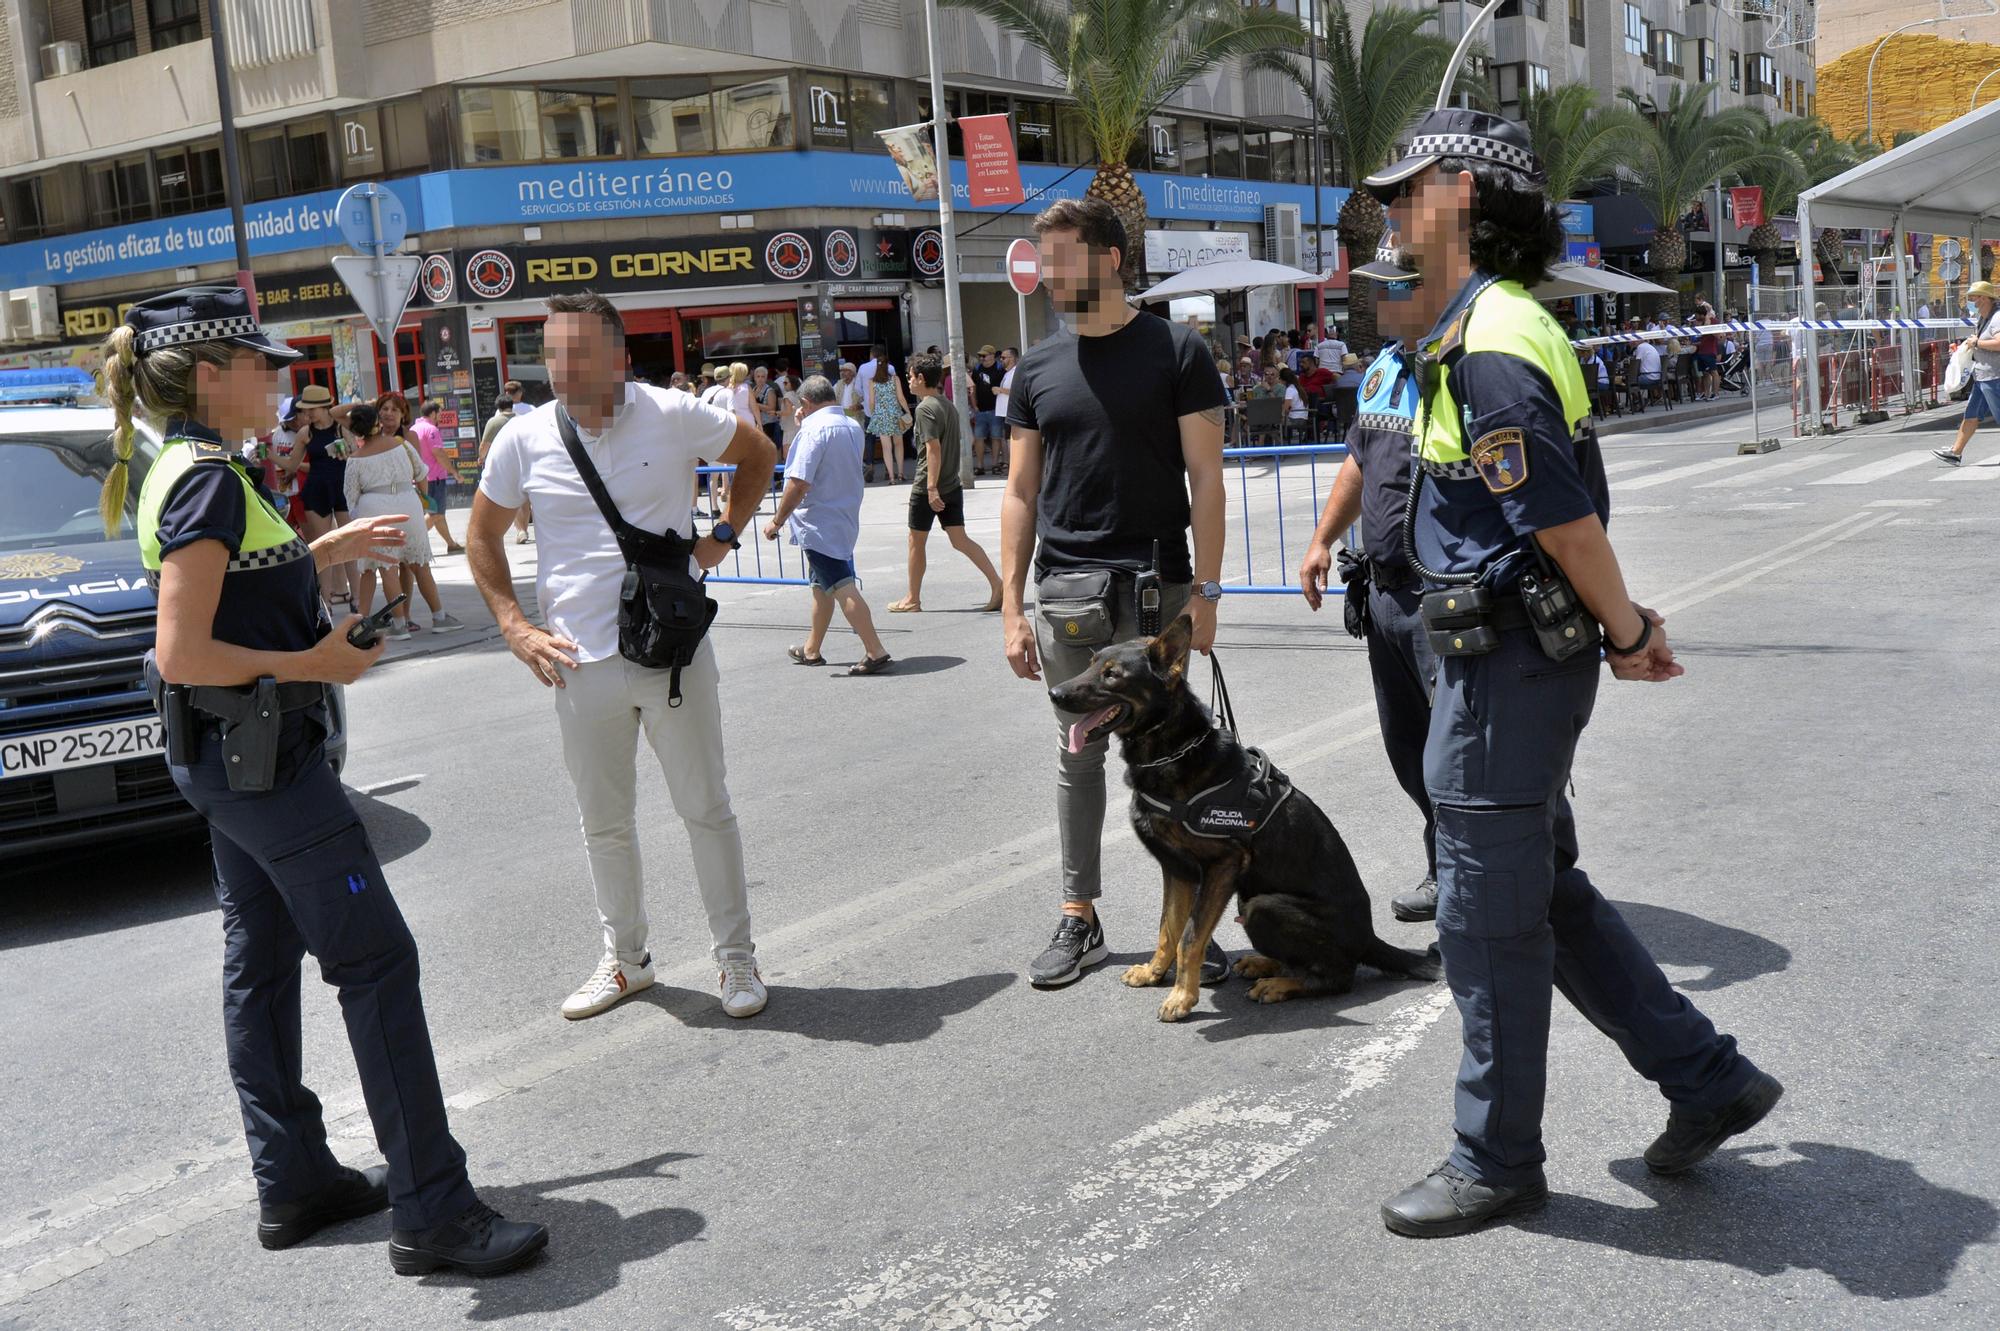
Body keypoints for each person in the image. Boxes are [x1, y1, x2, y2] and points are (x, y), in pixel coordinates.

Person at [1355, 108, 1781, 1239]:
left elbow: (1565, 522)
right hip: (1487, 663)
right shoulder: (1468, 326)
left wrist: (1630, 627)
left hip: (1501, 669)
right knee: (1540, 892)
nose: (1390, 213)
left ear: (1464, 199)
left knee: (1485, 922)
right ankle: (1707, 1077)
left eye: (1408, 193)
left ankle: (1494, 1157)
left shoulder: (1489, 338)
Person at [103, 285, 546, 1276]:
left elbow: (229, 593)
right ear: (210, 376)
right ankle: (435, 1208)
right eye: (263, 363)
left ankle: (293, 1177)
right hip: (266, 761)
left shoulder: (187, 466)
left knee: (259, 962)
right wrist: (321, 663)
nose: (282, 377)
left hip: (227, 760)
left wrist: (318, 553)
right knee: (376, 963)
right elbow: (182, 648)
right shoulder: (207, 480)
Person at [467, 292, 777, 1022]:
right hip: (577, 660)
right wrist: (513, 624)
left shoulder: (671, 414)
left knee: (706, 807)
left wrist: (719, 542)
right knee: (603, 821)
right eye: (551, 355)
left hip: (670, 651)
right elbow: (482, 537)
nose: (563, 369)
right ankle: (626, 960)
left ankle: (736, 960)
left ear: (617, 355)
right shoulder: (524, 436)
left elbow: (757, 454)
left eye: (578, 353)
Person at [998, 197, 1229, 989]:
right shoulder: (1034, 369)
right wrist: (1008, 608)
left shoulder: (1178, 350)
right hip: (1067, 591)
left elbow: (1206, 477)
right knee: (1078, 754)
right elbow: (1020, 492)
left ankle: (1195, 913)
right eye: (1045, 261)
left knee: (1181, 751)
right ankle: (1079, 915)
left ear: (1112, 259)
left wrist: (1207, 589)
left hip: (1160, 587)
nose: (1052, 276)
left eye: (1064, 259)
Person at [1298, 294, 1438, 920]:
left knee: (1471, 755)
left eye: (1399, 288)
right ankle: (1451, 868)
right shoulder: (1384, 366)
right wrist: (1323, 538)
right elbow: (1359, 459)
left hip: (1447, 598)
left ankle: (1515, 884)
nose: (1386, 303)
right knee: (1410, 750)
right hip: (1385, 594)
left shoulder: (1463, 363)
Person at [763, 375, 892, 674]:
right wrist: (804, 421)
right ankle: (812, 649)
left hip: (818, 521)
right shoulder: (851, 425)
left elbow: (798, 482)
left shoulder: (813, 430)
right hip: (843, 514)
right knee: (822, 586)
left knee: (840, 585)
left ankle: (875, 649)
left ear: (805, 403)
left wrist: (776, 521)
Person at [886, 351, 1003, 616]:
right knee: (960, 540)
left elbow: (933, 449)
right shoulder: (946, 404)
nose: (908, 380)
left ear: (921, 378)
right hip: (952, 484)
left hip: (931, 485)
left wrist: (930, 487)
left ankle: (912, 598)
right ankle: (997, 583)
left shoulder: (926, 408)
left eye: (910, 376)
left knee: (916, 541)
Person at [363, 392, 462, 634]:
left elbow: (420, 472)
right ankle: (406, 620)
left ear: (403, 415)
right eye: (384, 409)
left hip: (405, 502)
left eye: (394, 410)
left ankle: (404, 617)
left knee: (409, 564)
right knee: (393, 565)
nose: (388, 413)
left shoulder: (409, 437)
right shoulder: (370, 437)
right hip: (389, 506)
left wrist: (423, 502)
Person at [339, 405, 420, 640]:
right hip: (406, 504)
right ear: (377, 422)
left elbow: (350, 495)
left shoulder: (355, 458)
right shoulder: (399, 444)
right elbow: (420, 472)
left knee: (370, 568)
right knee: (392, 567)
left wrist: (357, 518)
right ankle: (401, 621)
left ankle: (361, 620)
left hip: (370, 508)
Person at [274, 383, 352, 607]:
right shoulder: (305, 432)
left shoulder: (340, 427)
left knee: (346, 543)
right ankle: (324, 599)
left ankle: (353, 595)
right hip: (317, 490)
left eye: (310, 409)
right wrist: (270, 455)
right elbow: (293, 464)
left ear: (324, 407)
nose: (306, 414)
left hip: (341, 488)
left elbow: (355, 454)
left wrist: (346, 453)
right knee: (322, 545)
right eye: (304, 409)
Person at [1934, 281, 2000, 465]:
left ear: (1985, 298)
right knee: (1971, 415)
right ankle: (1955, 452)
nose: (1970, 301)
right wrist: (1965, 346)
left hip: (1995, 377)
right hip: (1982, 376)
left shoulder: (1997, 318)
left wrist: (1976, 343)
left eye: (1974, 297)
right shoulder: (1983, 317)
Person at [409, 399, 465, 555]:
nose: (440, 416)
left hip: (420, 478)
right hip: (434, 479)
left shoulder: (413, 429)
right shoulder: (431, 429)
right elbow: (439, 453)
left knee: (437, 514)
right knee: (436, 514)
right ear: (433, 413)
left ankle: (451, 544)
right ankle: (410, 543)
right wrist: (454, 472)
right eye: (439, 413)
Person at [479, 382, 532, 545]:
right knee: (524, 499)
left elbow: (484, 444)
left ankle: (521, 530)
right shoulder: (522, 419)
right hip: (524, 462)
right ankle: (524, 529)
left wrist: (481, 458)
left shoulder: (494, 422)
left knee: (512, 497)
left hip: (503, 464)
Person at [865, 355, 911, 485]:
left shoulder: (872, 382)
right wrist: (907, 411)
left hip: (881, 415)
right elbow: (901, 397)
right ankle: (901, 473)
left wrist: (874, 413)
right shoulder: (895, 379)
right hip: (895, 413)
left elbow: (872, 401)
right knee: (898, 444)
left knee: (886, 448)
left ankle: (891, 477)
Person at [969, 344, 1005, 476]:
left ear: (992, 355)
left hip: (996, 409)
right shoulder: (977, 369)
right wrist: (974, 405)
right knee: (979, 438)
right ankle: (980, 465)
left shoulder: (1000, 369)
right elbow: (972, 388)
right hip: (981, 410)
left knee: (996, 437)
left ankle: (995, 464)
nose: (982, 358)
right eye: (980, 356)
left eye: (984, 356)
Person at [993, 347, 1020, 470]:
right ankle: (1012, 465)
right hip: (1006, 412)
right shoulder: (1008, 373)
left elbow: (1016, 391)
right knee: (1008, 439)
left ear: (1012, 358)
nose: (1001, 360)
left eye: (1004, 358)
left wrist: (999, 390)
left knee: (1012, 440)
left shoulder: (1015, 372)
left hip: (1012, 412)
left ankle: (1015, 466)